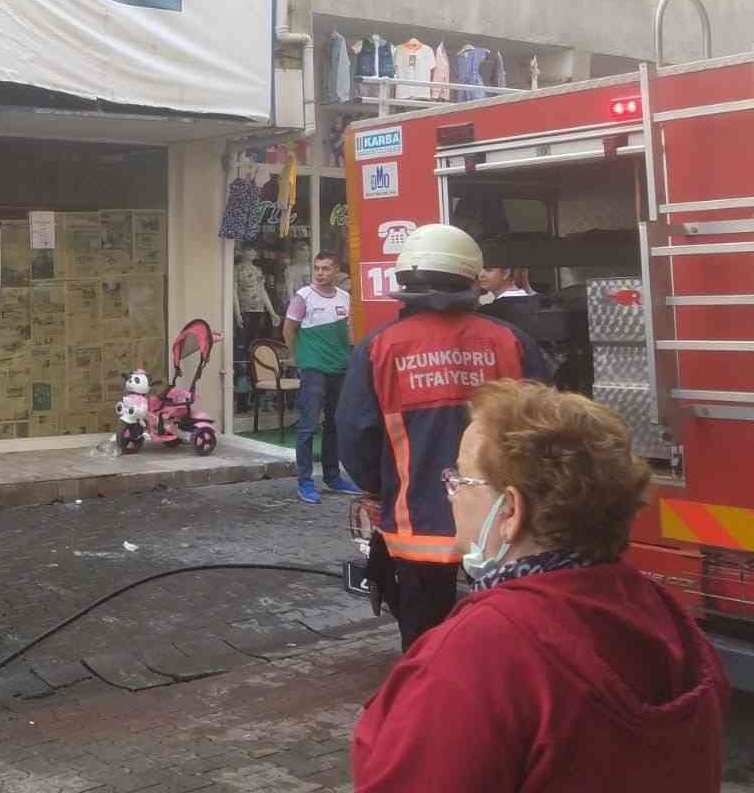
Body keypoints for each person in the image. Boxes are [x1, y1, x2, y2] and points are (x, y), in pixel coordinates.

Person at [351, 381, 728, 791]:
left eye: (461, 478)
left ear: (511, 509)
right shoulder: (658, 610)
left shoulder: (480, 654)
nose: (452, 495)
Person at [336, 223, 549, 649]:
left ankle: (433, 707)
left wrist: (378, 488)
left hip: (416, 527)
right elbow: (547, 428)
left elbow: (355, 432)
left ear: (404, 278)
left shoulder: (379, 347)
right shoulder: (511, 341)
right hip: (501, 526)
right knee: (504, 637)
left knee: (424, 644)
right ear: (471, 276)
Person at [282, 251, 363, 504]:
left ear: (337, 270)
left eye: (326, 268)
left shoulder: (345, 297)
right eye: (317, 268)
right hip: (313, 368)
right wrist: (298, 358)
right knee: (308, 425)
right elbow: (288, 329)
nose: (320, 273)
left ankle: (332, 476)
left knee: (335, 424)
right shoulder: (303, 297)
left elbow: (348, 332)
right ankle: (305, 481)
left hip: (339, 367)